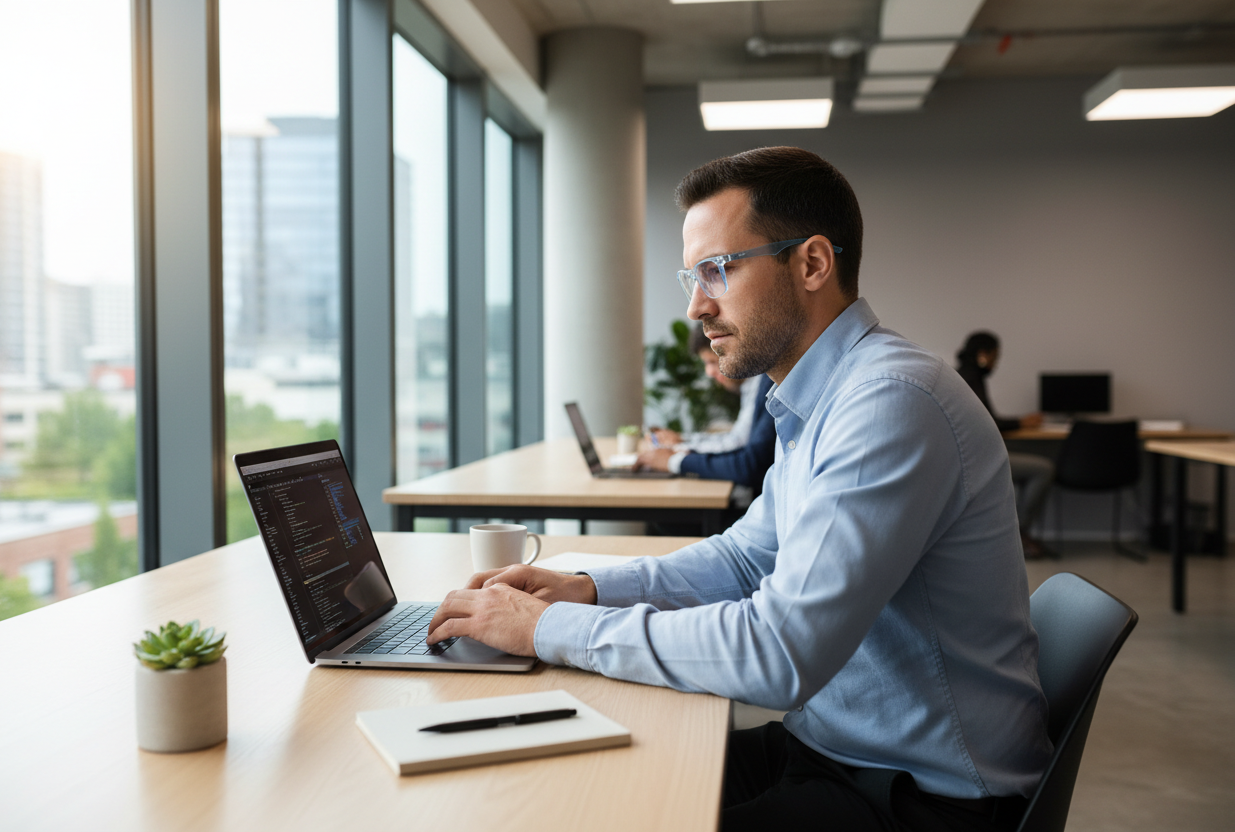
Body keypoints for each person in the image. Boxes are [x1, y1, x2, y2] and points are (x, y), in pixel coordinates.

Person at [427, 147, 1051, 832]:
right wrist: (588, 589)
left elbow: (778, 653)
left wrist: (545, 628)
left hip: (924, 798)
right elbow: (746, 559)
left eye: (718, 270)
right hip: (836, 748)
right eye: (692, 276)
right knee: (586, 790)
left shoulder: (889, 403)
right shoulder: (822, 396)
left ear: (812, 264)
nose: (696, 305)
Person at [636, 325, 776, 498]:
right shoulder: (753, 386)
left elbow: (751, 465)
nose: (709, 372)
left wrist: (674, 461)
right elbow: (736, 441)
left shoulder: (770, 384)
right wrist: (682, 442)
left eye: (712, 362)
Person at [956, 332, 1055, 559]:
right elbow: (990, 422)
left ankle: (1015, 531)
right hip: (978, 459)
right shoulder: (970, 379)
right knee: (1044, 469)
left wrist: (1021, 422)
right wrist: (1022, 422)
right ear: (983, 355)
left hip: (977, 453)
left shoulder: (966, 376)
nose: (996, 363)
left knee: (1031, 461)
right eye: (995, 357)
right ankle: (1017, 533)